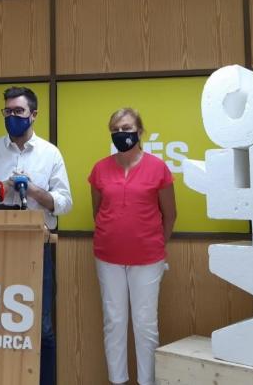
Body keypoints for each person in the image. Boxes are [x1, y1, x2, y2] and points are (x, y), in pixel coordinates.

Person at [0, 86, 72, 385]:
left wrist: (35, 191)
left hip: (37, 247)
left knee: (42, 327)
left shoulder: (50, 153)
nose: (12, 116)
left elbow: (65, 202)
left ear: (33, 115)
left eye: (19, 111)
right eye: (8, 111)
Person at [88, 107, 177, 385]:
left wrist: (155, 244)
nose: (120, 134)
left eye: (126, 128)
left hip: (148, 259)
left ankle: (147, 381)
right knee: (114, 322)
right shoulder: (100, 169)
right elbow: (97, 211)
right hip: (108, 257)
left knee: (145, 325)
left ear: (139, 131)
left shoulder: (158, 168)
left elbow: (170, 214)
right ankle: (117, 380)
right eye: (115, 130)